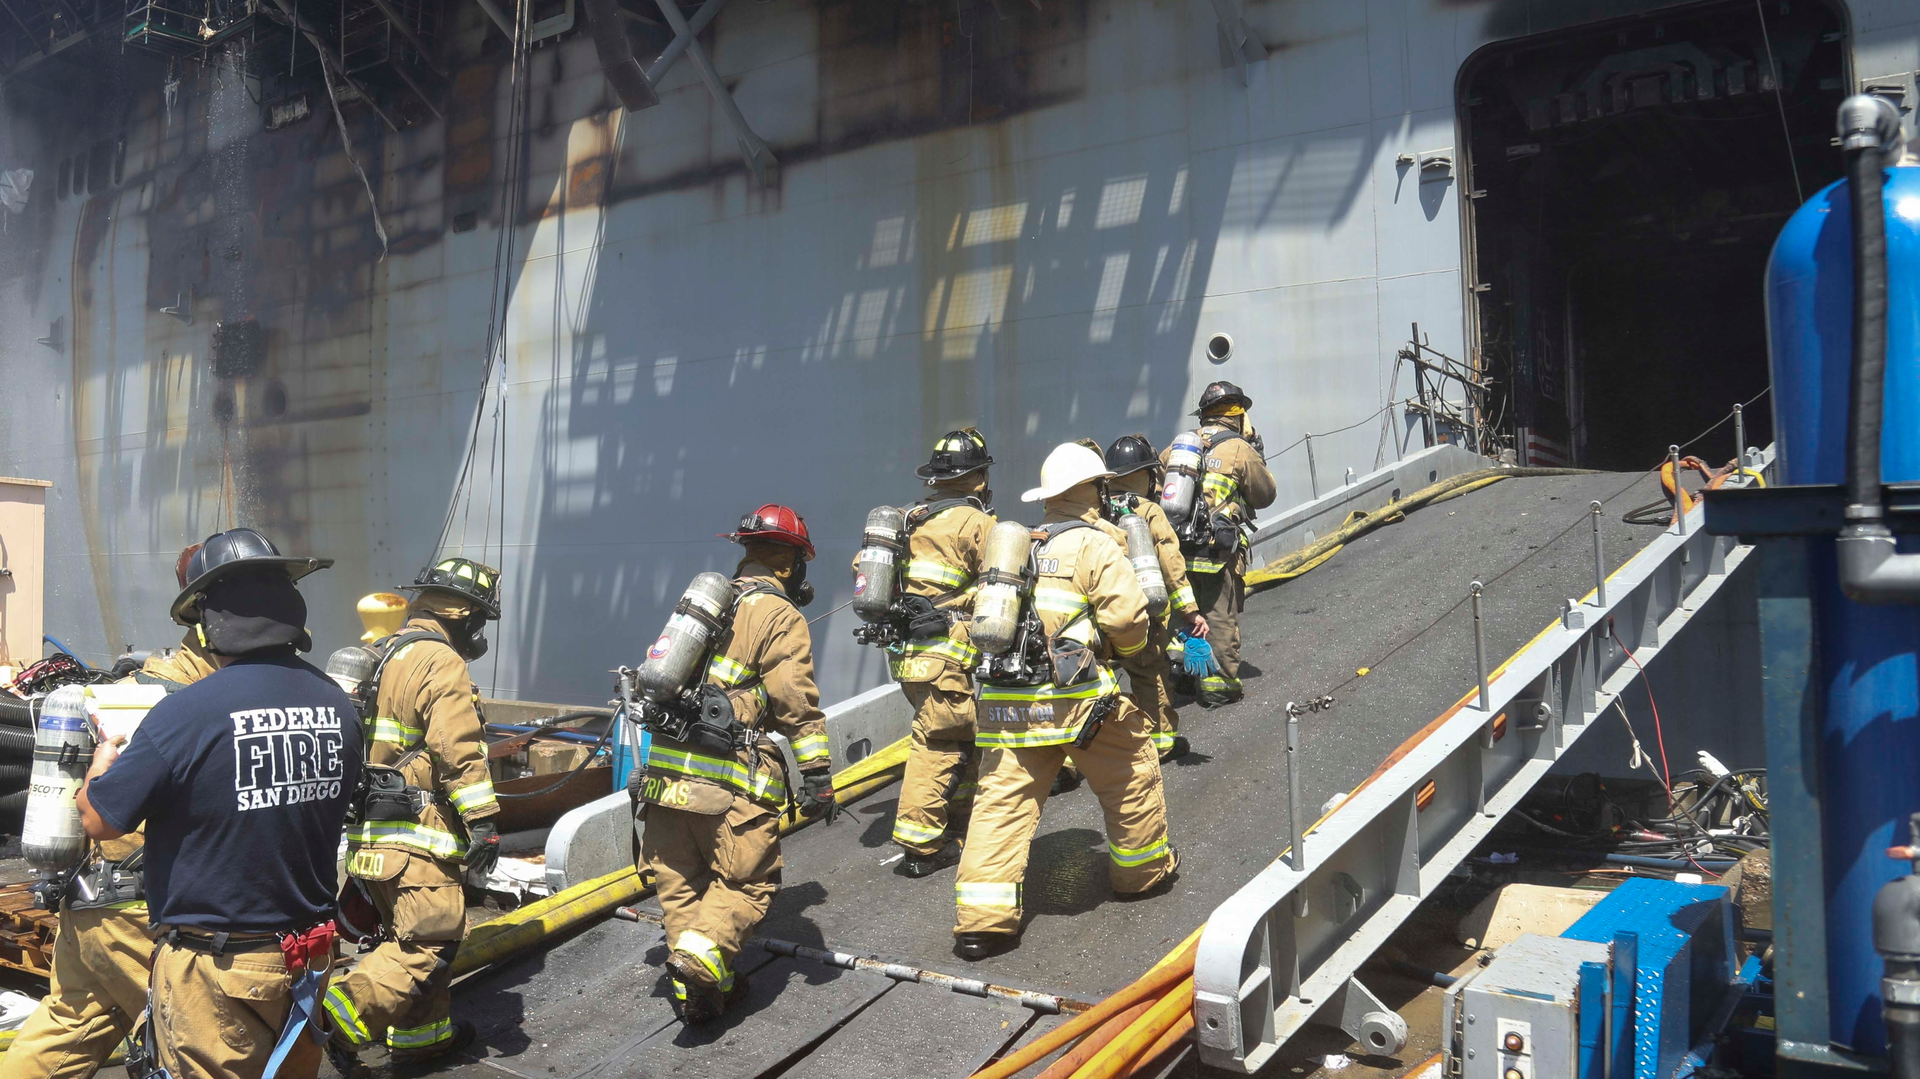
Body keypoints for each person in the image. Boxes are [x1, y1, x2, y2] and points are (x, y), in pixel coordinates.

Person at [76, 527, 357, 1079]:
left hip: (219, 969)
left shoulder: (187, 712)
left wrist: (98, 769)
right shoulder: (336, 704)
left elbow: (101, 820)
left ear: (210, 624)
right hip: (310, 957)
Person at [952, 444, 1177, 959]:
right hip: (1078, 704)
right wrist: (1135, 651)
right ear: (1093, 490)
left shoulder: (1018, 547)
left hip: (1007, 708)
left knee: (1000, 806)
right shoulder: (1095, 545)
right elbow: (1126, 621)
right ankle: (1143, 873)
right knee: (1131, 774)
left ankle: (981, 924)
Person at [1, 544, 216, 1079]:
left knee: (67, 1027)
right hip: (141, 917)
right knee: (200, 1043)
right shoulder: (200, 704)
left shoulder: (128, 691)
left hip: (89, 904)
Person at [635, 505, 835, 1022]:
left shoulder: (702, 608)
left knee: (681, 886)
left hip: (663, 780)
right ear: (791, 565)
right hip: (727, 783)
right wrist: (817, 773)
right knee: (746, 884)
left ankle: (699, 991)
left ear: (746, 552)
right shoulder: (779, 614)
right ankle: (703, 958)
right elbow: (794, 698)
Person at [324, 558, 503, 1070]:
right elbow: (457, 747)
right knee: (431, 943)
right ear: (463, 615)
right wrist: (483, 820)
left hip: (370, 839)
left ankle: (422, 1038)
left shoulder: (378, 654)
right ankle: (339, 1014)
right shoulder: (439, 660)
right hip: (417, 837)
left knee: (409, 937)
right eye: (479, 621)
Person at [875, 430, 996, 877]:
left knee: (961, 735)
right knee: (941, 741)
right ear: (979, 477)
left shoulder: (908, 519)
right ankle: (921, 845)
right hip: (946, 653)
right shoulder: (978, 524)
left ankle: (957, 816)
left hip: (908, 654)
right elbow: (998, 588)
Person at [1161, 381, 1276, 707]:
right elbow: (1265, 495)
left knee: (1185, 612)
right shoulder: (1239, 449)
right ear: (1239, 416)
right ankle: (1218, 687)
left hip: (1177, 550)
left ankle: (1180, 673)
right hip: (1214, 550)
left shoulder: (1179, 448)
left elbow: (1157, 487)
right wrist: (1256, 450)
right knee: (1218, 617)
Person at [1104, 435, 1209, 759]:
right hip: (1143, 617)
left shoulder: (1098, 511)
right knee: (1151, 676)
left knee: (1100, 678)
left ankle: (1085, 751)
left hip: (1103, 614)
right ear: (1148, 475)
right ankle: (1160, 744)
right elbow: (1170, 563)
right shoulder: (1148, 511)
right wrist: (1191, 611)